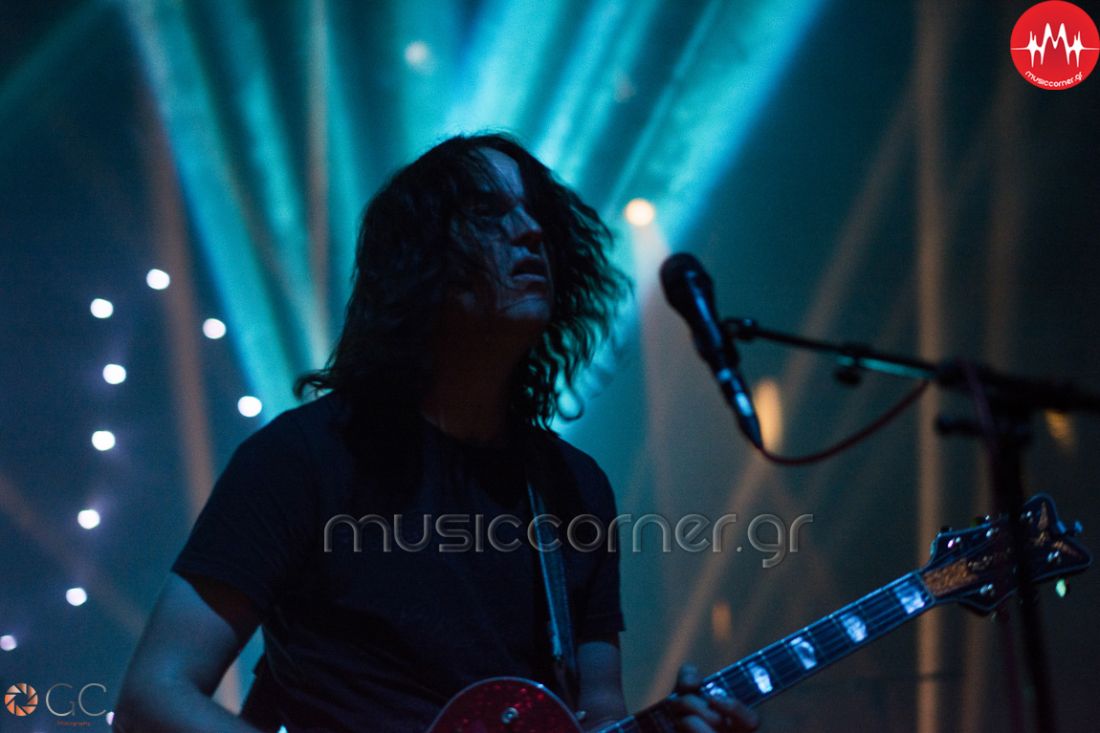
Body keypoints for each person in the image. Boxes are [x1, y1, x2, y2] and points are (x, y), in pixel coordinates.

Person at [114, 133, 759, 732]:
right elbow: (153, 695)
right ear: (421, 259)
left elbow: (597, 715)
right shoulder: (305, 457)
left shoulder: (572, 489)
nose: (531, 231)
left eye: (536, 214)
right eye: (489, 213)